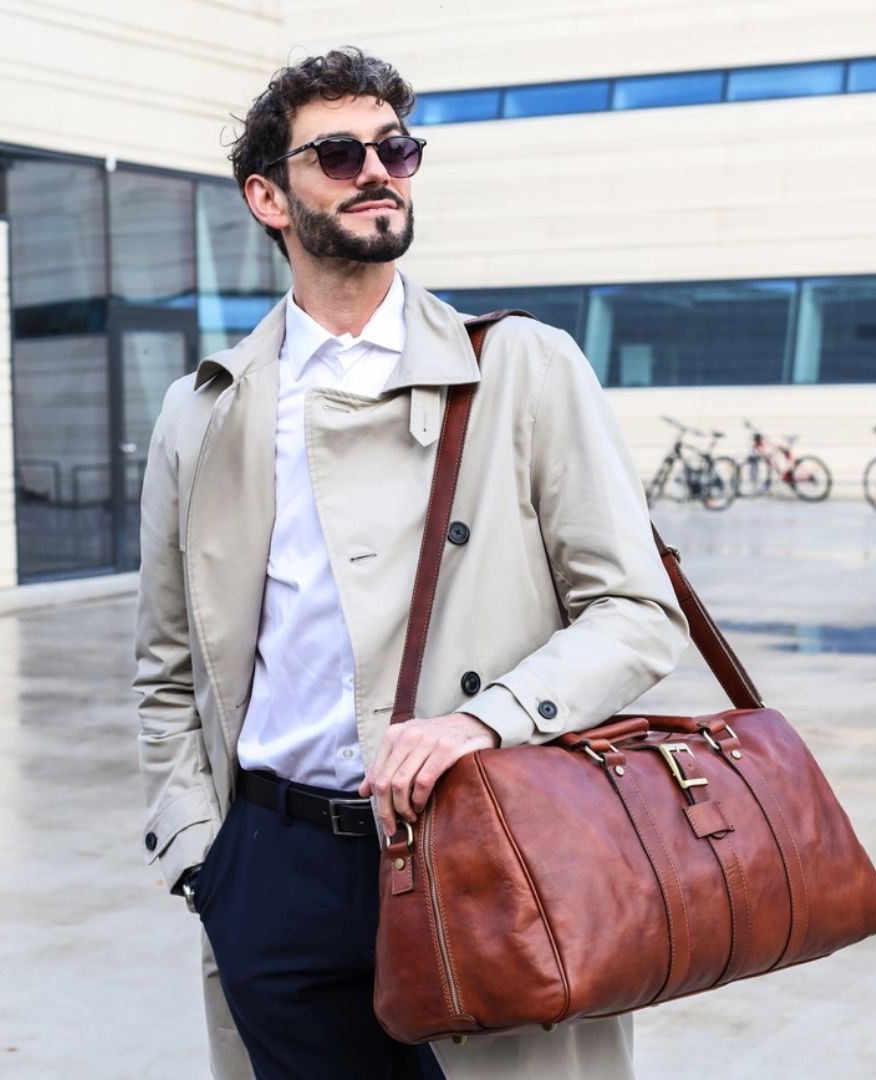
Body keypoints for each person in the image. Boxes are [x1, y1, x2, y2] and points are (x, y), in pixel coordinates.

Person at [134, 47, 689, 1080]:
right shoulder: (203, 408)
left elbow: (636, 612)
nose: (377, 171)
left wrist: (484, 719)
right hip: (272, 864)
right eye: (338, 154)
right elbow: (168, 662)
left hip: (482, 851)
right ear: (267, 196)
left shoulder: (519, 365)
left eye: (396, 148)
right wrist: (200, 852)